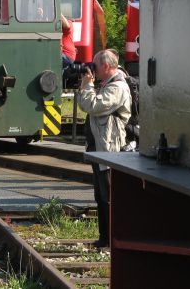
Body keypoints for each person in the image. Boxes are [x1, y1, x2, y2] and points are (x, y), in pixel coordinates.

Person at [77, 49, 131, 248]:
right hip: (100, 148)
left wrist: (87, 85)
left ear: (106, 66)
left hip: (110, 150)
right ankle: (105, 238)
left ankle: (112, 239)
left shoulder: (117, 88)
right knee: (101, 196)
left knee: (109, 196)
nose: (93, 70)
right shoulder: (106, 85)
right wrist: (88, 85)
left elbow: (92, 106)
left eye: (96, 66)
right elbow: (87, 104)